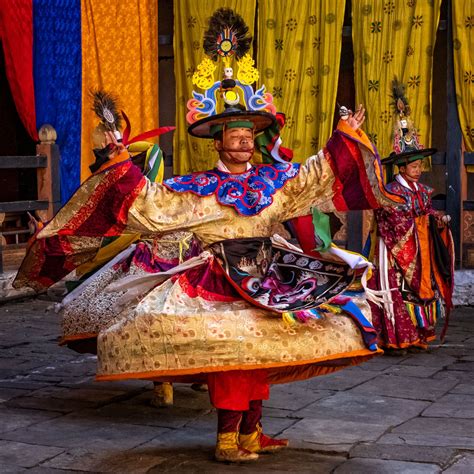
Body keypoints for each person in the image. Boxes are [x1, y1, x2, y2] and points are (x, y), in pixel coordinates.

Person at [14, 8, 401, 464]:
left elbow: (315, 177)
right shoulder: (195, 188)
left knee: (265, 352)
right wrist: (120, 164)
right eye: (232, 136)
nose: (240, 142)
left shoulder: (274, 184)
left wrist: (344, 138)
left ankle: (253, 432)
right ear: (216, 143)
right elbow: (150, 206)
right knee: (231, 354)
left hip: (271, 270)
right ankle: (226, 437)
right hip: (217, 275)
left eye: (245, 136)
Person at [364, 80, 454, 355]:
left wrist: (437, 219)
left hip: (421, 250)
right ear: (401, 168)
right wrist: (420, 221)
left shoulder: (423, 191)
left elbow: (425, 212)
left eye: (419, 165)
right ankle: (395, 339)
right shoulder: (390, 192)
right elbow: (392, 219)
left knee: (420, 292)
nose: (418, 170)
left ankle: (417, 335)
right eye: (414, 166)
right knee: (397, 294)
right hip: (394, 250)